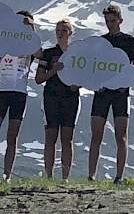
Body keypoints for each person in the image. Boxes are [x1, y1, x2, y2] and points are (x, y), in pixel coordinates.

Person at [88, 4, 134, 184]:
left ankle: (119, 177)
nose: (110, 25)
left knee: (121, 135)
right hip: (102, 93)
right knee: (96, 135)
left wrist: (124, 83)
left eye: (113, 21)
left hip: (121, 94)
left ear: (120, 21)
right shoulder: (99, 42)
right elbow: (93, 67)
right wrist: (97, 84)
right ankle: (91, 176)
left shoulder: (129, 41)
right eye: (107, 21)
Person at [35, 19, 80, 182]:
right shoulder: (48, 53)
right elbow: (39, 79)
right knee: (51, 137)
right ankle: (49, 177)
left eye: (64, 30)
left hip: (71, 99)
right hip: (51, 98)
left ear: (70, 33)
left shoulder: (77, 54)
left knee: (67, 138)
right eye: (58, 30)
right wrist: (53, 71)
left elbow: (86, 75)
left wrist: (78, 84)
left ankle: (65, 178)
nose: (60, 33)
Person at [0, 10, 41, 182]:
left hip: (19, 93)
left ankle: (7, 176)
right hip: (1, 90)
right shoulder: (4, 40)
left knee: (12, 135)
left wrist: (31, 29)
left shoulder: (30, 44)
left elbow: (39, 54)